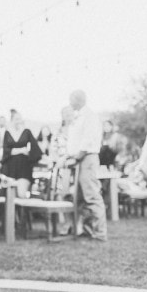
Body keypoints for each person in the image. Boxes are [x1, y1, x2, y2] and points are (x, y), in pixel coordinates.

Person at [59, 90, 107, 241]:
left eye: (71, 100)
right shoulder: (78, 117)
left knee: (92, 195)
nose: (70, 103)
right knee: (79, 198)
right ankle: (87, 229)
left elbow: (87, 141)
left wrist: (76, 157)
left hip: (87, 159)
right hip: (78, 159)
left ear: (77, 99)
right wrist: (70, 156)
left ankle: (100, 233)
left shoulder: (89, 116)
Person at [1, 110, 42, 198]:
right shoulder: (7, 132)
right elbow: (5, 149)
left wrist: (28, 153)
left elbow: (35, 148)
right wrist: (19, 150)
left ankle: (23, 212)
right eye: (16, 119)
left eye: (19, 119)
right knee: (9, 196)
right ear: (12, 120)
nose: (18, 121)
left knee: (21, 194)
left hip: (23, 167)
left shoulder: (27, 131)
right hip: (10, 168)